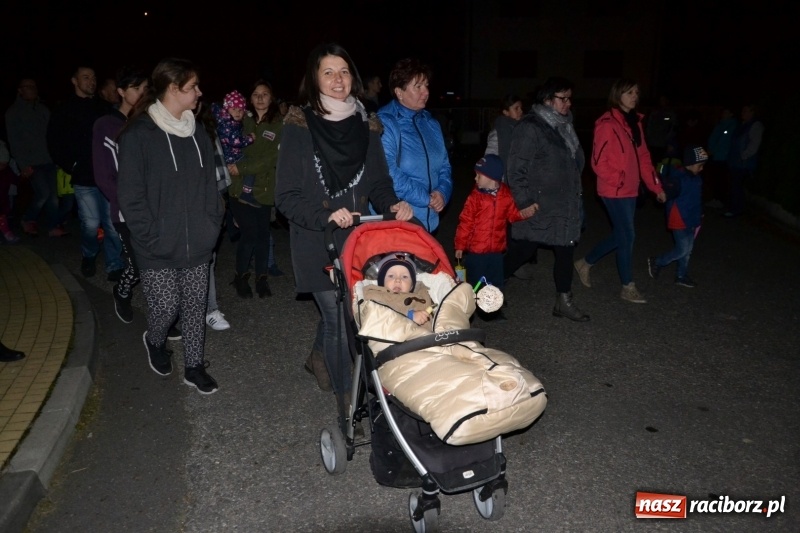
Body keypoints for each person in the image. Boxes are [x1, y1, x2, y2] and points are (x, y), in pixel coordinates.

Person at [275, 42, 413, 401]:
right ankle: (349, 402)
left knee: (347, 312)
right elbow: (286, 196)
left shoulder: (366, 124)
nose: (338, 80)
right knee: (341, 321)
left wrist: (394, 204)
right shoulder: (299, 124)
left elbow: (379, 183)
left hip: (360, 239)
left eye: (345, 71)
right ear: (314, 79)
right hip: (316, 238)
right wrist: (324, 215)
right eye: (328, 72)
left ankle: (319, 359)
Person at [118, 58, 224, 394]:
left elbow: (212, 185)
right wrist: (152, 237)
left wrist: (212, 225)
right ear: (173, 89)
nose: (199, 92)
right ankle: (155, 338)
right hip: (156, 244)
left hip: (198, 241)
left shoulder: (199, 132)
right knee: (166, 307)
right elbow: (131, 198)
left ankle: (194, 366)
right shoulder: (139, 135)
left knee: (194, 306)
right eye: (192, 87)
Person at [503, 77, 590, 321]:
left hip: (564, 205)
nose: (568, 103)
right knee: (521, 251)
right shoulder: (531, 127)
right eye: (563, 98)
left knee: (566, 250)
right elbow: (515, 168)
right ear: (547, 100)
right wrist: (524, 202)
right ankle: (483, 288)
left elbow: (573, 163)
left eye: (569, 98)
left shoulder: (564, 126)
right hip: (538, 205)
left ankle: (563, 300)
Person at [574, 78, 666, 304]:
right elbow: (597, 162)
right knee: (628, 236)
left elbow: (644, 158)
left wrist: (656, 188)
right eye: (629, 92)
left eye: (636, 92)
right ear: (618, 95)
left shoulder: (635, 123)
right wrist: (621, 179)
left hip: (631, 190)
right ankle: (627, 286)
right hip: (613, 190)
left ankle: (585, 263)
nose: (634, 96)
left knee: (621, 235)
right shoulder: (607, 124)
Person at [47, 66, 124, 280]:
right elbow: (54, 141)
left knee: (111, 225)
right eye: (86, 77)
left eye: (93, 77)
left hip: (108, 178)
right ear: (74, 81)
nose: (91, 81)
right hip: (84, 178)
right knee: (90, 224)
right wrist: (71, 165)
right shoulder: (64, 110)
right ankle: (89, 255)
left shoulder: (105, 108)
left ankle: (114, 264)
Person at [93, 66, 150, 324]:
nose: (142, 93)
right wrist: (125, 201)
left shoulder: (146, 123)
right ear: (121, 92)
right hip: (125, 209)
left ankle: (163, 316)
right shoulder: (106, 125)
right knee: (137, 264)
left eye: (145, 88)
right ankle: (122, 292)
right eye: (136, 88)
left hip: (151, 207)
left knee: (156, 265)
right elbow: (104, 175)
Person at [377, 58, 452, 233]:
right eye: (417, 87)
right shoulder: (384, 122)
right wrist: (425, 198)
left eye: (426, 85)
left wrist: (442, 192)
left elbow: (444, 165)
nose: (425, 92)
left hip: (429, 222)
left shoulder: (431, 123)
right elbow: (387, 172)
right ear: (399, 92)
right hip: (399, 222)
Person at [454, 154, 531, 321]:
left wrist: (524, 213)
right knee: (475, 282)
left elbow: (512, 215)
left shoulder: (505, 194)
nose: (475, 178)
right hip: (476, 251)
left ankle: (493, 310)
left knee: (494, 281)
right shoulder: (475, 197)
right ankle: (469, 310)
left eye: (479, 175)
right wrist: (460, 245)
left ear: (492, 178)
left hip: (496, 249)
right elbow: (465, 222)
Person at [227, 80, 284, 298]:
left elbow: (271, 158)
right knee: (249, 234)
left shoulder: (280, 125)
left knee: (262, 236)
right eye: (255, 94)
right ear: (249, 99)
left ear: (272, 98)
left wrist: (240, 167)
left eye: (265, 94)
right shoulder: (241, 120)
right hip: (239, 189)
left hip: (264, 189)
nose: (260, 98)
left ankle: (262, 279)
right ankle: (241, 277)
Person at [4, 78, 67, 237]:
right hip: (31, 162)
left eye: (34, 86)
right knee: (43, 193)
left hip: (48, 159)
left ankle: (53, 227)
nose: (33, 89)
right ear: (20, 90)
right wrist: (22, 164)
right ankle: (28, 218)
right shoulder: (13, 112)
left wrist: (57, 157)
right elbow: (14, 141)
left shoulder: (43, 110)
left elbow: (52, 135)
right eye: (28, 87)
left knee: (53, 197)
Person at [648, 145, 708, 289]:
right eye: (700, 165)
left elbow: (697, 198)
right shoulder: (678, 178)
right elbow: (669, 190)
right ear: (690, 164)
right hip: (679, 218)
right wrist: (663, 196)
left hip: (693, 219)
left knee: (688, 250)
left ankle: (681, 275)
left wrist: (700, 213)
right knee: (682, 249)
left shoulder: (696, 179)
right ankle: (658, 261)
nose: (702, 168)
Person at [211, 91, 258, 207]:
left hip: (230, 155)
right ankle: (246, 192)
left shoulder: (228, 121)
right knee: (251, 165)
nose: (237, 112)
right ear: (227, 108)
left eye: (240, 110)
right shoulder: (228, 123)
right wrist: (250, 139)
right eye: (234, 109)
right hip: (231, 157)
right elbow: (234, 141)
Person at [362, 254, 434, 327]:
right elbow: (375, 314)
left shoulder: (419, 297)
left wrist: (423, 317)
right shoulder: (376, 294)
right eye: (391, 276)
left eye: (404, 277)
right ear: (382, 282)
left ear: (411, 285)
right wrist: (410, 315)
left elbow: (427, 326)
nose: (398, 280)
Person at [725, 103, 764, 217]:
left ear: (752, 112)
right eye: (743, 111)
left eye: (746, 111)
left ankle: (736, 209)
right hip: (735, 161)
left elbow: (754, 143)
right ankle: (734, 207)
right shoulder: (742, 125)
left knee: (737, 186)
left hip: (743, 163)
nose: (743, 113)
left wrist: (744, 155)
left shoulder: (756, 125)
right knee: (734, 185)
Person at [484, 93, 524, 176]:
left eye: (521, 108)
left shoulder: (524, 128)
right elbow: (490, 158)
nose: (521, 111)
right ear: (506, 112)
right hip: (503, 178)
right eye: (516, 108)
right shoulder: (499, 131)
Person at [704, 106, 737, 206]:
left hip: (722, 157)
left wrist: (713, 150)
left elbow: (723, 140)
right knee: (714, 178)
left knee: (720, 179)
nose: (724, 114)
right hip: (714, 156)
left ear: (731, 114)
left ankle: (720, 199)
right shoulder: (720, 124)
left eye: (726, 112)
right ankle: (715, 198)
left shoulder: (731, 125)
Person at [645, 94, 678, 164]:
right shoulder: (654, 112)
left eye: (664, 100)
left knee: (661, 163)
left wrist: (669, 140)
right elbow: (649, 125)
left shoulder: (670, 113)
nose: (662, 102)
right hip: (653, 142)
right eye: (661, 100)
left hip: (663, 143)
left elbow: (672, 125)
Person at [0, 140, 20, 243]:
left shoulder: (6, 171)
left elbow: (15, 179)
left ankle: (7, 233)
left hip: (3, 199)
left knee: (3, 216)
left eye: (4, 165)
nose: (2, 167)